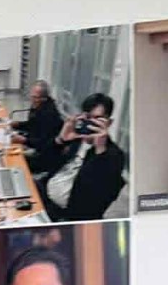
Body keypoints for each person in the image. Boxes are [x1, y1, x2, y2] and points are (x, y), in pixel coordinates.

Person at [37, 93, 127, 221]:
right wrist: (60, 139)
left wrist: (100, 151)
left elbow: (95, 199)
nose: (90, 124)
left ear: (109, 123)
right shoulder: (77, 139)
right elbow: (42, 163)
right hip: (45, 196)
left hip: (66, 216)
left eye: (97, 119)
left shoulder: (113, 156)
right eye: (88, 117)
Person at [11, 79, 64, 173]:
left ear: (44, 98)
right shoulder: (38, 105)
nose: (33, 100)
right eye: (32, 96)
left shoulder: (49, 114)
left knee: (12, 160)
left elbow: (44, 143)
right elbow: (32, 124)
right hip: (34, 144)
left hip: (43, 156)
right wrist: (17, 124)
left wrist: (24, 140)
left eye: (36, 97)